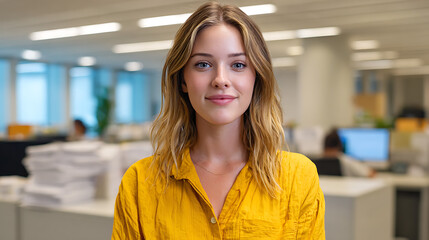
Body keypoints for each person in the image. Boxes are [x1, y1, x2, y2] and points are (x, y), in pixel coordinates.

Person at [112, 2, 325, 239]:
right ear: (183, 79)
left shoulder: (298, 177)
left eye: (238, 65)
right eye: (203, 64)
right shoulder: (140, 183)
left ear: (257, 78)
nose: (220, 79)